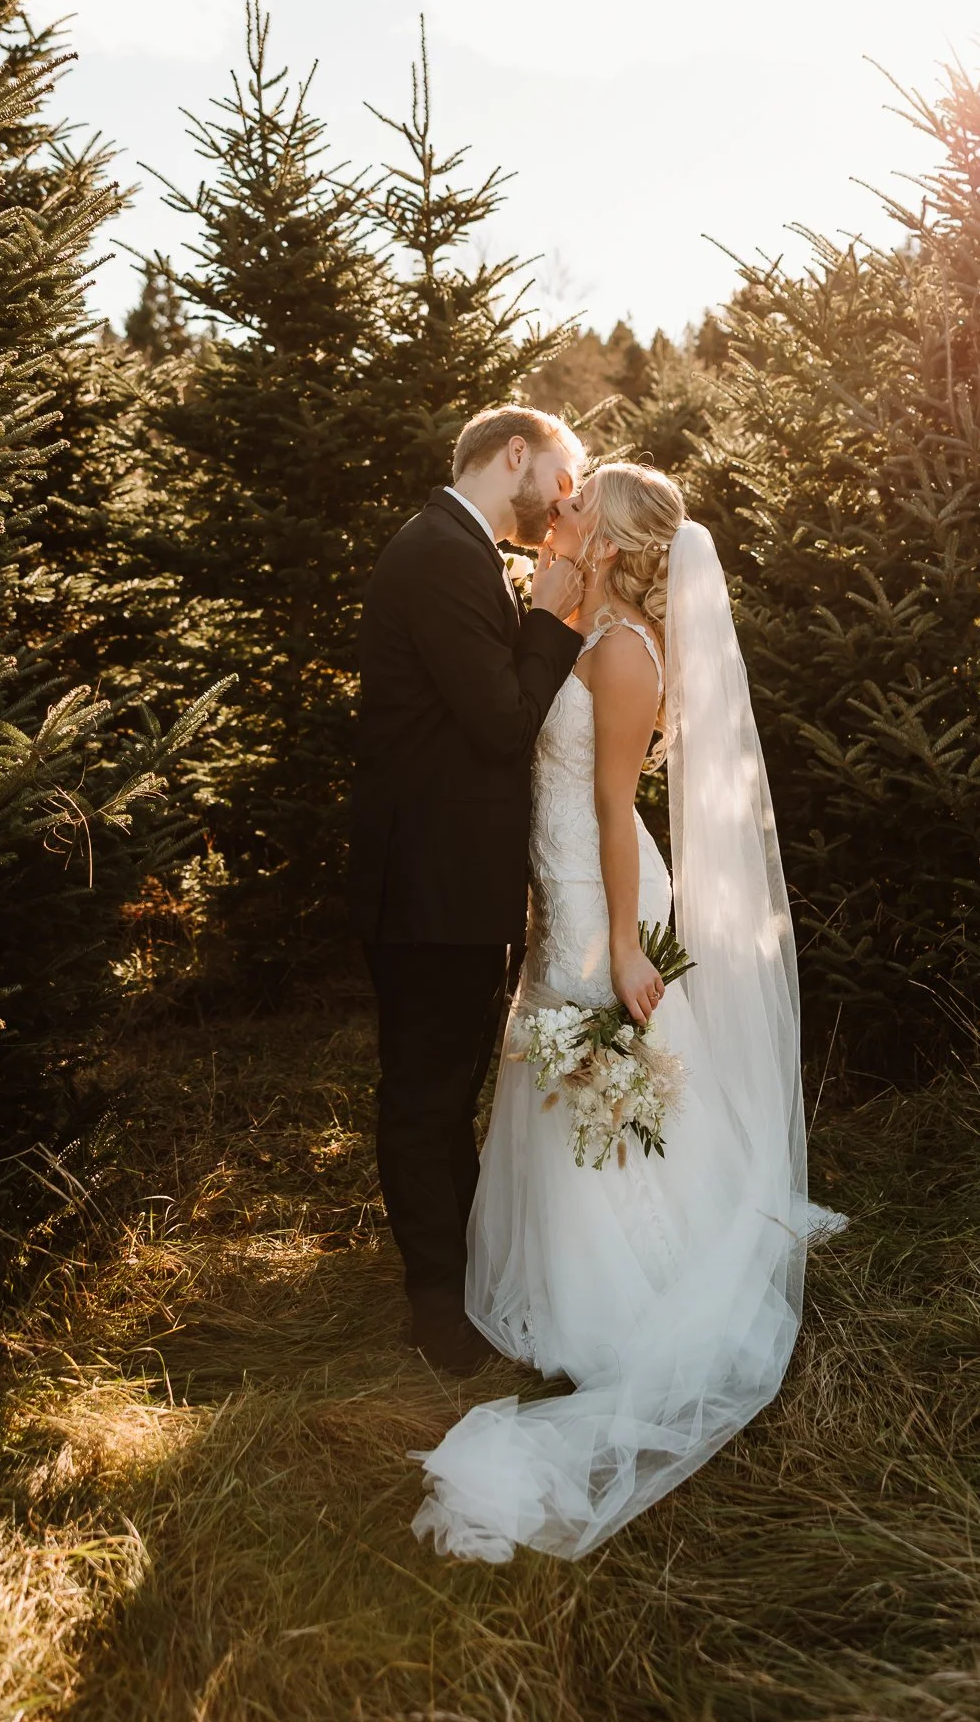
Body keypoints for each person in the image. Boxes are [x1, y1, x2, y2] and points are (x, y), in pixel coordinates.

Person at [411, 463, 844, 1561]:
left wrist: (614, 942)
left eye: (585, 498)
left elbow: (614, 804)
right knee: (562, 1074)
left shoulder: (623, 650)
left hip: (602, 893)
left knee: (602, 1069)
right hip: (559, 884)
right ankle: (567, 1276)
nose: (571, 504)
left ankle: (639, 1287)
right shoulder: (582, 621)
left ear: (621, 534)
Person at [349, 406, 585, 1374]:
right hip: (428, 888)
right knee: (422, 1096)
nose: (564, 503)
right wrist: (550, 616)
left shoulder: (460, 546)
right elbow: (500, 719)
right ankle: (437, 1314)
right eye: (561, 481)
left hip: (449, 884)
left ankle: (463, 1287)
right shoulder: (442, 553)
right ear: (515, 456)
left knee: (444, 1092)